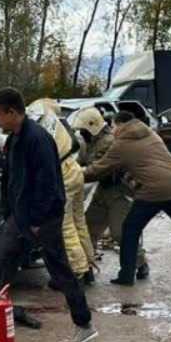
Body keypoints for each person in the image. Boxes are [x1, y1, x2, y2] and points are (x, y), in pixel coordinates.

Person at [0, 87, 96, 342]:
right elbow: (11, 179)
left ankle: (84, 325)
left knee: (60, 270)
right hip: (19, 218)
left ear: (13, 112)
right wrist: (9, 212)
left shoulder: (38, 139)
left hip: (42, 219)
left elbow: (48, 184)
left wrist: (38, 221)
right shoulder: (14, 139)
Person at [84, 108, 171, 286]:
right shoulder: (150, 134)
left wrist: (74, 174)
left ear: (121, 125)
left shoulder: (122, 143)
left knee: (130, 230)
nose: (112, 129)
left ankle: (126, 275)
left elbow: (98, 170)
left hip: (154, 191)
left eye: (113, 125)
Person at [77, 106, 149, 280]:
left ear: (92, 126)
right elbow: (83, 162)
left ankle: (141, 263)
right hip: (103, 189)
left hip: (119, 191)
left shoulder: (109, 141)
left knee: (120, 233)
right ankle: (87, 268)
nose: (81, 133)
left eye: (83, 129)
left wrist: (76, 173)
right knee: (88, 229)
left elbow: (98, 168)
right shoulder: (92, 142)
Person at [33, 99, 97, 284]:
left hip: (63, 174)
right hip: (74, 170)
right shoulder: (58, 122)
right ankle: (88, 265)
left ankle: (78, 271)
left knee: (65, 226)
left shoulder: (40, 122)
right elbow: (76, 145)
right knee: (79, 222)